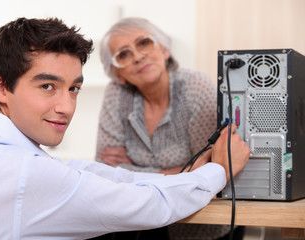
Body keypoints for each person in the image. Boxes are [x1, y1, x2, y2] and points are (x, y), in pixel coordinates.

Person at [0, 17, 250, 240]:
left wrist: (171, 173)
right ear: (0, 87)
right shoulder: (26, 172)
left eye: (74, 88)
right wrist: (219, 170)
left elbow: (91, 172)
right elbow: (148, 204)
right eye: (48, 86)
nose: (66, 107)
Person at [95, 17, 244, 239]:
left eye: (143, 42)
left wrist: (132, 169)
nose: (137, 56)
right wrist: (180, 172)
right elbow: (104, 174)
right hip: (142, 222)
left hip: (201, 226)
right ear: (119, 75)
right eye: (123, 54)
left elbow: (208, 173)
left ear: (165, 50)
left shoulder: (195, 87)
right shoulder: (116, 94)